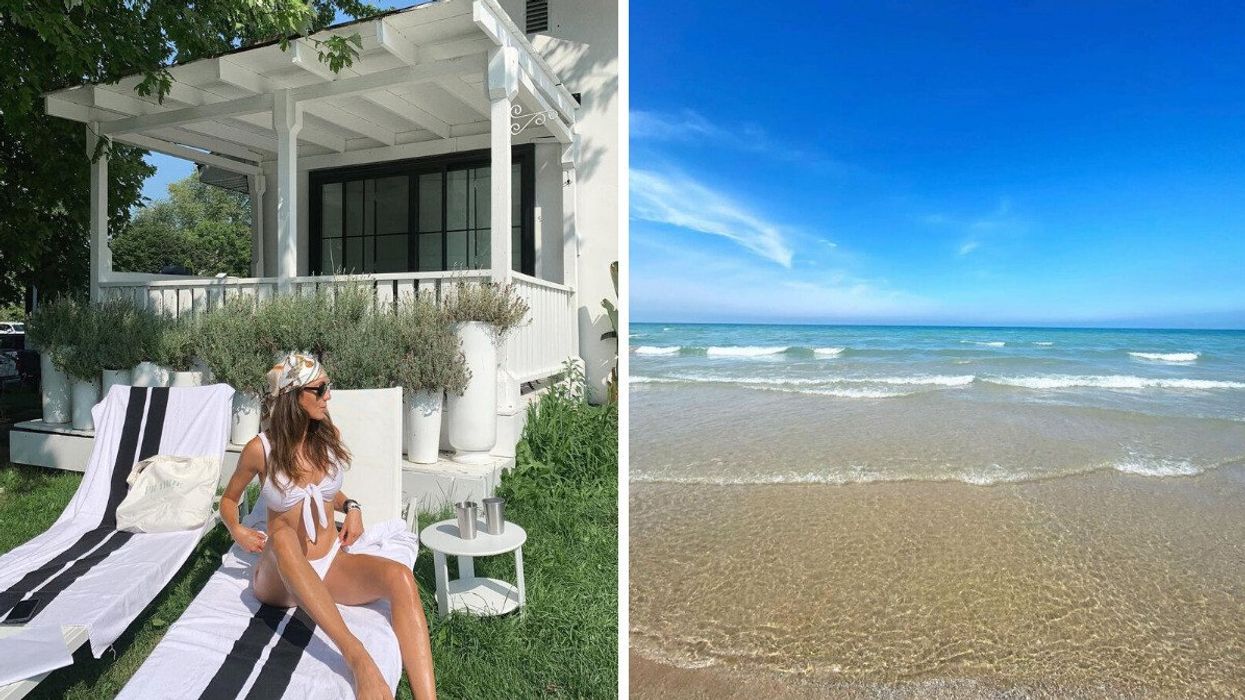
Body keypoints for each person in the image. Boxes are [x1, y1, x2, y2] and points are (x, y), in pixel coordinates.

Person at [220, 352, 436, 700]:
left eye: (327, 387)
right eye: (319, 389)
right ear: (294, 396)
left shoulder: (325, 435)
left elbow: (325, 493)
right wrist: (237, 530)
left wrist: (351, 507)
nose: (328, 396)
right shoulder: (260, 449)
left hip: (329, 563)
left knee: (400, 577)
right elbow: (228, 501)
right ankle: (359, 659)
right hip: (280, 577)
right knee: (285, 537)